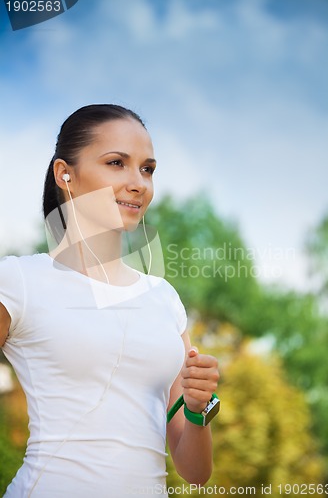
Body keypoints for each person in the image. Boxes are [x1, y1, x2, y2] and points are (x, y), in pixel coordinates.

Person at [0, 104, 220, 497]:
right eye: (116, 163)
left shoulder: (163, 299)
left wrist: (197, 407)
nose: (138, 183)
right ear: (65, 174)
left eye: (147, 169)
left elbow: (196, 473)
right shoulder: (18, 280)